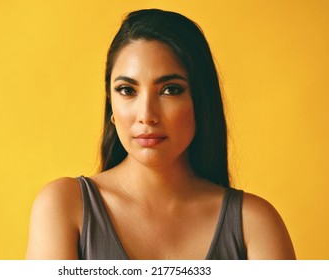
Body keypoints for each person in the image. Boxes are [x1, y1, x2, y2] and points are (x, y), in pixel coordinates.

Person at [26, 9, 296, 260]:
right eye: (127, 90)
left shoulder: (255, 224)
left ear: (200, 102)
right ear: (111, 105)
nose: (146, 114)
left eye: (170, 90)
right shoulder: (64, 206)